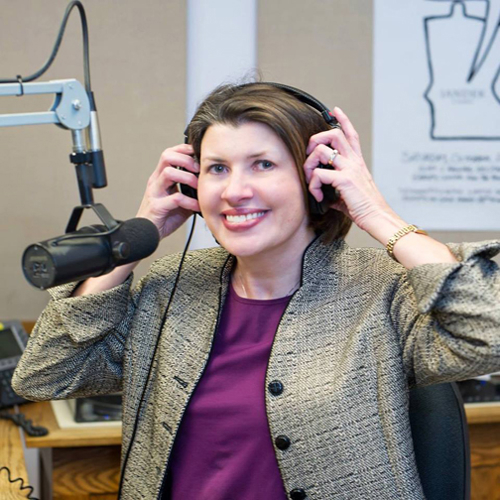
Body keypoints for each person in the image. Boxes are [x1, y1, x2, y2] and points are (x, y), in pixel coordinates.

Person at [12, 82, 500, 500]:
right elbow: (43, 376)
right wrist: (135, 238)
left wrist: (377, 214)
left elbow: (490, 332)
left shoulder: (385, 292)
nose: (234, 191)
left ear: (318, 179)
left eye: (263, 165)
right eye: (217, 168)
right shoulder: (169, 291)